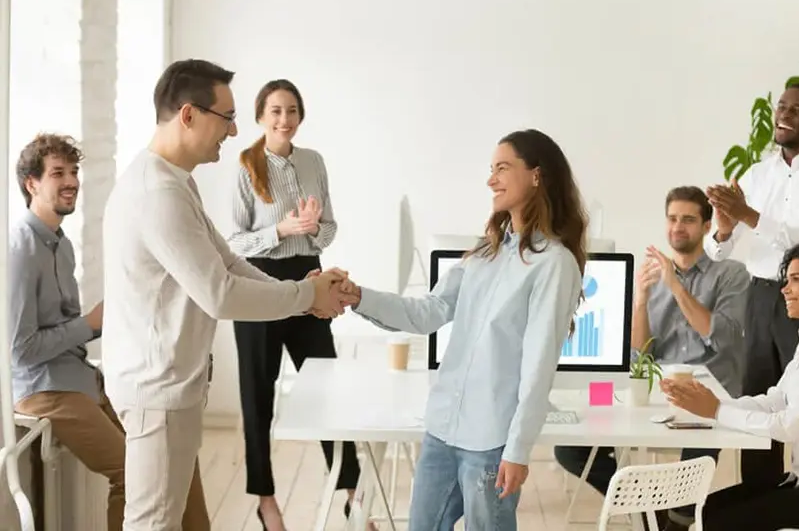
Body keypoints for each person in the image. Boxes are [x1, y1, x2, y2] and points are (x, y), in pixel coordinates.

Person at [101, 59, 354, 530]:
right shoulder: (157, 193)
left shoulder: (176, 183)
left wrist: (307, 290)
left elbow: (229, 262)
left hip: (173, 384)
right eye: (227, 117)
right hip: (156, 388)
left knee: (175, 518)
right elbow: (219, 293)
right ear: (189, 115)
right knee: (152, 522)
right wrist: (306, 295)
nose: (234, 130)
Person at [337, 129, 586, 530]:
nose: (491, 180)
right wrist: (358, 297)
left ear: (537, 175)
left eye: (502, 168)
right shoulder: (485, 252)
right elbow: (428, 312)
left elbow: (539, 368)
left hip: (491, 444)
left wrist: (518, 451)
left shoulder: (553, 265)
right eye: (491, 170)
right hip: (443, 430)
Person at [8, 133, 209, 531]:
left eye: (74, 171)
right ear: (31, 183)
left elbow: (68, 328)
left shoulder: (60, 245)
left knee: (178, 453)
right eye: (57, 173)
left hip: (81, 378)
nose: (71, 181)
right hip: (45, 390)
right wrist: (91, 324)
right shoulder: (20, 249)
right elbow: (20, 350)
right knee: (133, 474)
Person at [553, 185, 748, 529]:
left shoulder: (730, 274)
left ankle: (676, 520)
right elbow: (638, 356)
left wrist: (675, 286)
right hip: (656, 391)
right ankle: (648, 510)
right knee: (568, 449)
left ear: (706, 226)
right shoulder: (651, 276)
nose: (678, 227)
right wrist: (641, 299)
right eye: (672, 219)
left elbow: (724, 336)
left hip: (708, 392)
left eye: (688, 219)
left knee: (698, 441)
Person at [661, 236, 799, 531]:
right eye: (786, 279)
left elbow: (787, 426)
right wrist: (713, 405)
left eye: (796, 280)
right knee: (704, 511)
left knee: (717, 523)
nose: (785, 289)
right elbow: (775, 399)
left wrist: (716, 411)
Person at [227, 79, 368, 531]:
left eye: (290, 111)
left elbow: (328, 230)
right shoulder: (245, 166)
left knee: (326, 390)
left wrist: (309, 229)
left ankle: (351, 497)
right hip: (256, 283)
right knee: (258, 397)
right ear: (260, 116)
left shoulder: (313, 162)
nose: (283, 119)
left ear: (300, 116)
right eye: (274, 111)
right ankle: (266, 500)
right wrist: (282, 230)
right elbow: (233, 240)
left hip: (309, 277)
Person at [704, 82, 799, 487]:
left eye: (797, 110)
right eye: (782, 107)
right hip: (758, 296)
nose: (784, 116)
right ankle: (759, 500)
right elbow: (724, 250)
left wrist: (750, 215)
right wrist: (724, 228)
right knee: (759, 392)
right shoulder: (757, 174)